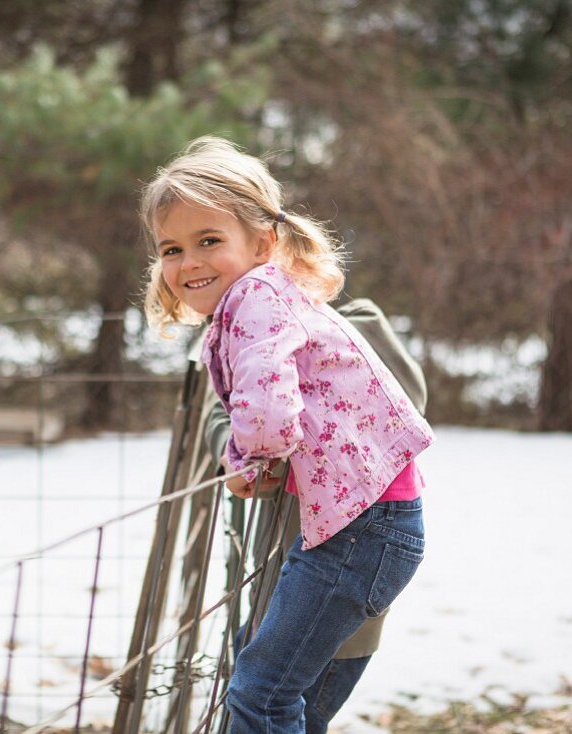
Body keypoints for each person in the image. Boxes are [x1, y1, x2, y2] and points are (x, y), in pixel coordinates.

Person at [141, 136, 435, 733]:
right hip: (374, 524)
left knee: (260, 695)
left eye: (209, 241)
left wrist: (247, 462)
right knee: (299, 706)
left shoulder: (255, 295)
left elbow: (269, 412)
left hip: (360, 532)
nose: (188, 262)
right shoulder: (263, 296)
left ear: (263, 242)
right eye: (171, 248)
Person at [196, 296, 428, 733]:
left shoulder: (350, 319)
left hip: (343, 562)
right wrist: (240, 454)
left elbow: (402, 401)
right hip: (275, 571)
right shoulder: (241, 329)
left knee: (266, 703)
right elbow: (220, 411)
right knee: (253, 700)